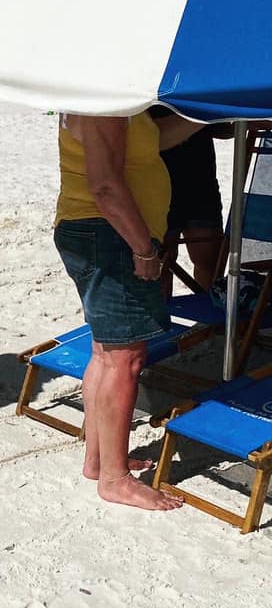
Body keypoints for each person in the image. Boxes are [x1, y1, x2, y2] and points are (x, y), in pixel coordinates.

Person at [54, 109, 205, 512]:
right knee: (127, 359)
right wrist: (144, 248)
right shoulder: (102, 98)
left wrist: (203, 116)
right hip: (109, 235)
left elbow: (151, 139)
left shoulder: (112, 96)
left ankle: (99, 461)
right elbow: (104, 187)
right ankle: (116, 479)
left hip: (95, 231)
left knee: (107, 353)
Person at [148, 106, 227, 294]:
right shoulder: (152, 83)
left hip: (201, 179)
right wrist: (207, 114)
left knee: (210, 262)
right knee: (161, 263)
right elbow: (153, 136)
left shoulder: (205, 81)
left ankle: (209, 321)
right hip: (157, 182)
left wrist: (237, 114)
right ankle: (163, 320)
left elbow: (222, 129)